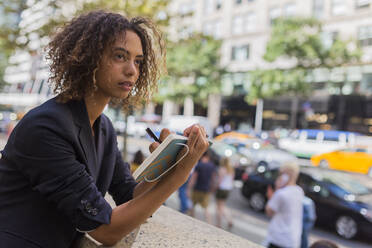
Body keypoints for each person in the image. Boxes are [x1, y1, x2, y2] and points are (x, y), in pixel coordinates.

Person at [0, 10, 210, 248]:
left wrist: (166, 164)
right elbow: (104, 230)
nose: (132, 70)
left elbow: (130, 197)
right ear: (88, 58)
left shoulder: (104, 127)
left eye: (138, 61)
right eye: (120, 56)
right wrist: (181, 174)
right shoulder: (46, 127)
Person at [265, 162, 304, 248]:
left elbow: (269, 211)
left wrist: (276, 191)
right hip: (293, 240)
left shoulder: (281, 194)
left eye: (281, 174)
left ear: (285, 176)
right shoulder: (299, 191)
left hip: (278, 239)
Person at [188, 150, 217, 224]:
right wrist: (213, 188)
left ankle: (191, 220)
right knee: (206, 208)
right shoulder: (212, 166)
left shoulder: (199, 165)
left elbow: (194, 178)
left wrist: (189, 188)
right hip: (206, 189)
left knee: (192, 205)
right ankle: (209, 223)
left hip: (197, 188)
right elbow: (213, 179)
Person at [215, 157, 234, 229]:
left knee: (219, 207)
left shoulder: (222, 169)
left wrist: (215, 187)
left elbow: (220, 180)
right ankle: (229, 220)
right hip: (228, 189)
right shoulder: (231, 169)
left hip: (221, 188)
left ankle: (219, 224)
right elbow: (232, 180)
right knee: (223, 205)